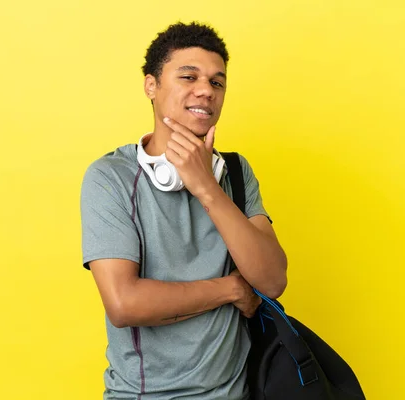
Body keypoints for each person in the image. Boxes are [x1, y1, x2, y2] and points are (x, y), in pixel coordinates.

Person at [80, 21, 288, 400]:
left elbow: (272, 281)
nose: (206, 90)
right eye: (188, 76)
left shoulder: (236, 175)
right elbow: (124, 303)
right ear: (151, 86)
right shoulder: (110, 177)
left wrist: (207, 187)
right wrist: (230, 289)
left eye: (217, 82)